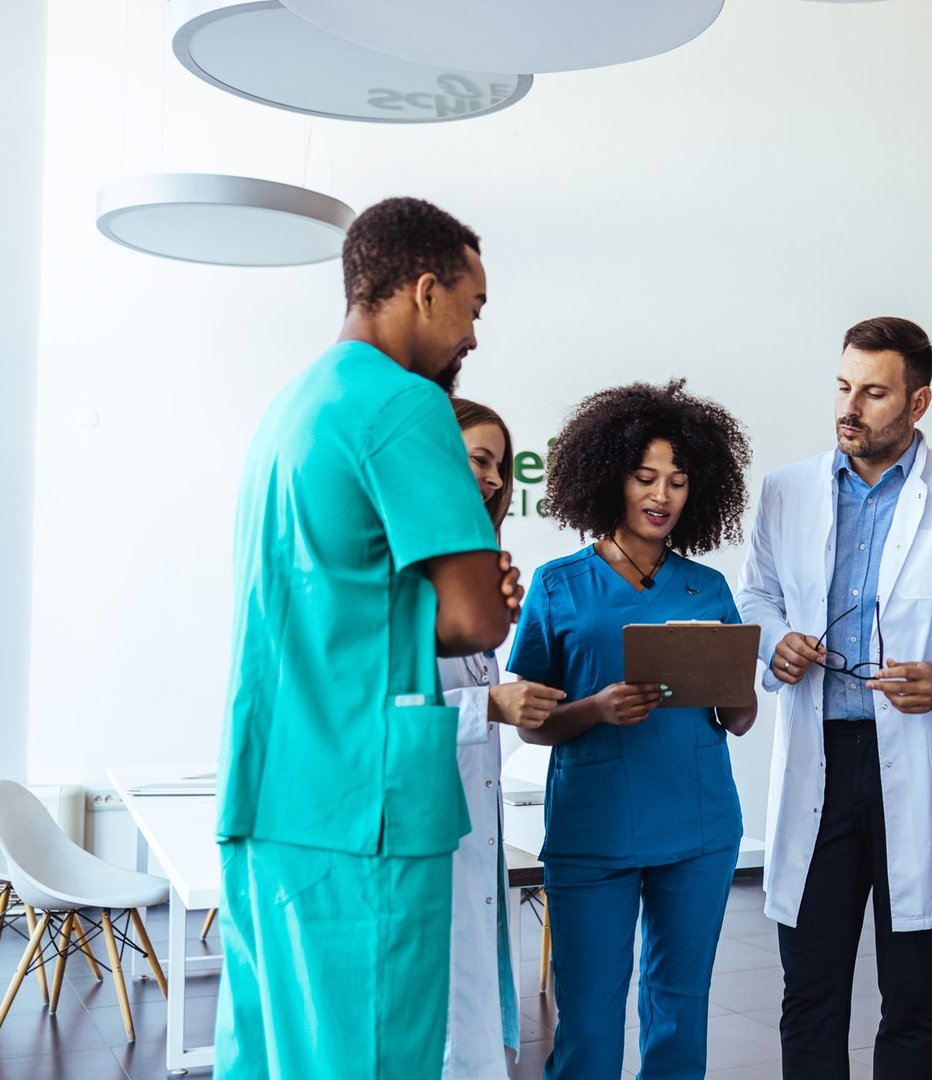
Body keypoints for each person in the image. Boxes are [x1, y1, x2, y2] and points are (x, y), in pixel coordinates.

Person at [215, 197, 526, 1079]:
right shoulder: (405, 406)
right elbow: (472, 617)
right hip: (367, 804)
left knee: (286, 1056)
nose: (473, 333)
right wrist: (485, 592)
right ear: (425, 292)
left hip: (273, 790)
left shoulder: (293, 406)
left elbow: (341, 592)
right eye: (473, 307)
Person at [738, 316, 932, 1080]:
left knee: (913, 998)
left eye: (873, 392)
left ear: (918, 402)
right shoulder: (786, 490)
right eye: (842, 387)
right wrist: (778, 640)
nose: (850, 406)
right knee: (811, 990)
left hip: (919, 762)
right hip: (820, 762)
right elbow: (757, 595)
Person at [506, 380, 757, 1080]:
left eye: (678, 481)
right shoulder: (558, 586)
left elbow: (737, 718)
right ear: (610, 478)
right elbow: (533, 724)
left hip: (698, 826)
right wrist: (596, 708)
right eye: (646, 477)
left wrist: (739, 688)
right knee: (587, 1016)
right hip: (594, 832)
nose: (662, 494)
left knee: (680, 1008)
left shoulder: (707, 587)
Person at [441, 397, 566, 1078]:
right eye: (477, 460)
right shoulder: (406, 574)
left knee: (474, 1023)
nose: (492, 479)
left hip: (470, 834)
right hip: (424, 833)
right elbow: (368, 707)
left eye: (498, 466)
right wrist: (488, 704)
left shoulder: (480, 571)